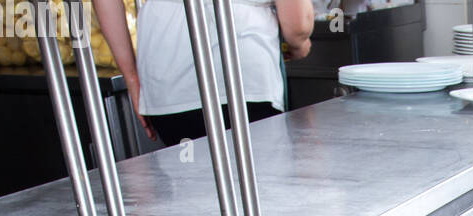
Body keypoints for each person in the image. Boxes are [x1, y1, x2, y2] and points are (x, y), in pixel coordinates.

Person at [94, 0, 314, 145]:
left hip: (167, 82)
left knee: (192, 199)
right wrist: (299, 43)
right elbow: (297, 25)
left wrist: (131, 77)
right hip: (243, 78)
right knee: (258, 193)